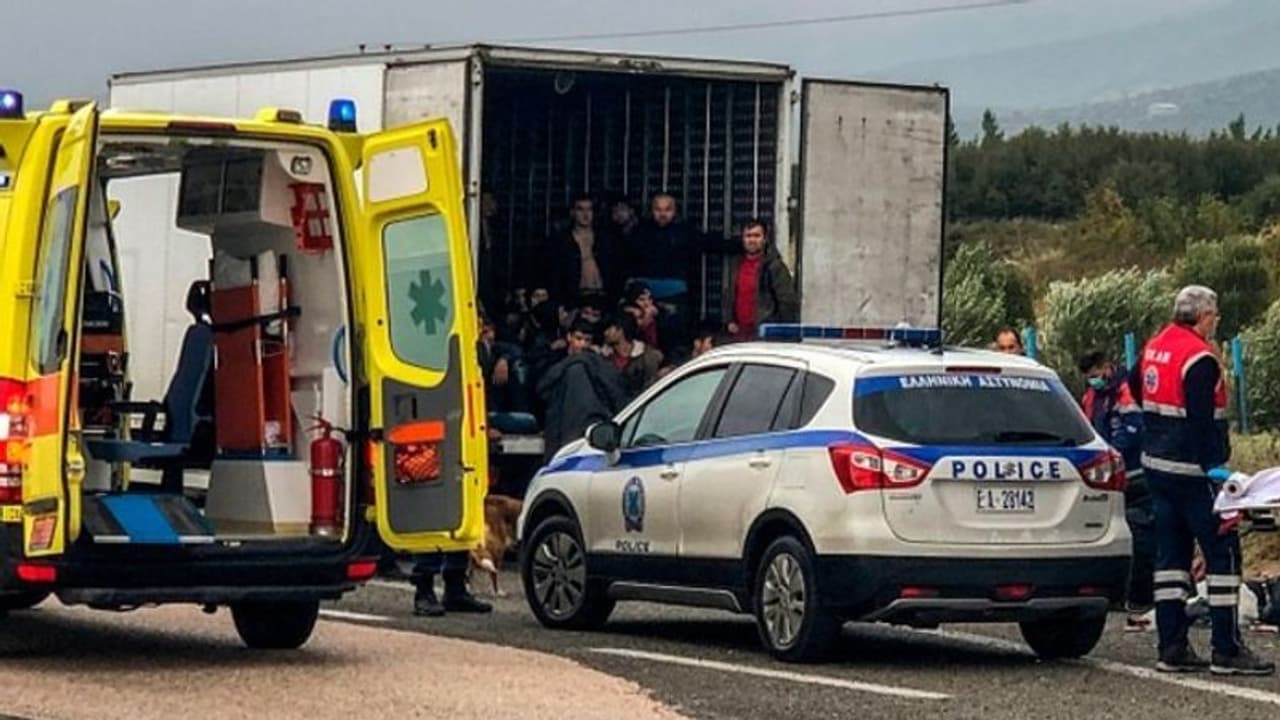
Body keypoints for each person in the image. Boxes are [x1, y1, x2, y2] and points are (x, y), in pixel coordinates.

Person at [1141, 285, 1274, 675]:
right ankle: (1226, 648)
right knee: (1223, 555)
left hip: (1158, 468)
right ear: (1202, 316)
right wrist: (1220, 475)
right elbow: (1202, 420)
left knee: (1170, 561)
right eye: (1214, 315)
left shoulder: (1157, 345)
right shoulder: (1199, 357)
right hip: (1195, 474)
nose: (1216, 321)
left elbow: (1137, 388)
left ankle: (1172, 646)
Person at [1078, 350, 1153, 632]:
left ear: (1107, 367)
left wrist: (1112, 455)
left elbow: (1135, 428)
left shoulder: (1124, 390)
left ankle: (1140, 593)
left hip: (1134, 473)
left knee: (1140, 533)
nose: (1094, 380)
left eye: (1097, 374)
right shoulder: (1090, 397)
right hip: (1107, 475)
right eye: (1090, 377)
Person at [536, 319, 628, 462]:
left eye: (587, 340)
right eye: (578, 339)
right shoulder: (552, 358)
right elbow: (542, 389)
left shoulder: (598, 363)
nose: (582, 344)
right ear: (569, 337)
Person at [720, 220, 799, 342]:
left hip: (765, 336)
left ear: (765, 239)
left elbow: (787, 301)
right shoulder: (737, 265)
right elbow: (728, 294)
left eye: (757, 236)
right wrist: (729, 320)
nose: (752, 240)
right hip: (739, 336)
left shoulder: (774, 267)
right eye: (748, 236)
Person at [549, 195, 616, 305]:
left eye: (589, 209)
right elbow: (555, 273)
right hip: (574, 298)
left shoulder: (605, 239)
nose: (586, 214)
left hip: (603, 296)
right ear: (572, 212)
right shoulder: (561, 241)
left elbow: (614, 269)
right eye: (580, 209)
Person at [602, 313, 664, 400]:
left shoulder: (647, 356)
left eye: (609, 329)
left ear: (620, 331)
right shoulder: (603, 358)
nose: (605, 333)